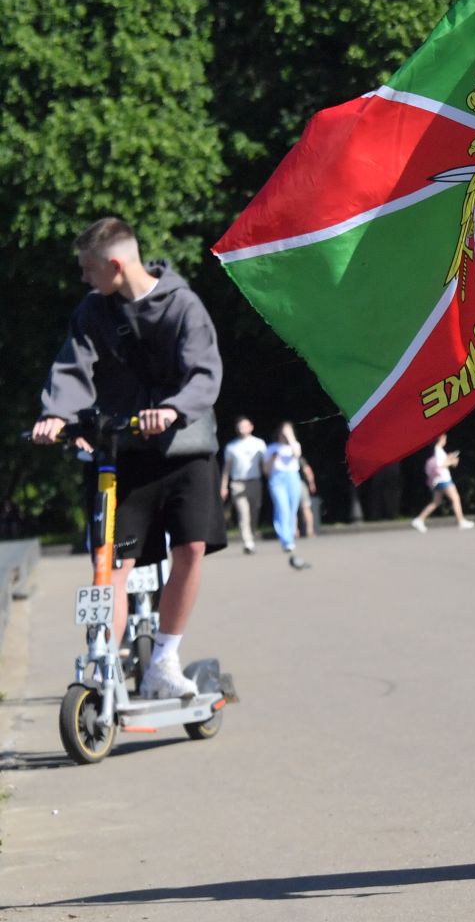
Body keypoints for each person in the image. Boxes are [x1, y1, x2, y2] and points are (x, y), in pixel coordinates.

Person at [32, 217, 226, 699]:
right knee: (112, 562)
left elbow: (204, 372)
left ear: (116, 265)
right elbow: (73, 367)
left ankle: (164, 659)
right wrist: (56, 415)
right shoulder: (93, 311)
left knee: (190, 549)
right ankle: (104, 661)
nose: (84, 278)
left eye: (88, 268)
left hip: (185, 448)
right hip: (127, 451)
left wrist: (174, 409)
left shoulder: (183, 306)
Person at [262, 422, 315, 570]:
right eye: (282, 434)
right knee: (282, 508)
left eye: (286, 434)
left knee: (292, 509)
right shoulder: (271, 448)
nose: (283, 436)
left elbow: (297, 454)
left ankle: (290, 537)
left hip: (292, 478)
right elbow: (266, 471)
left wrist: (290, 435)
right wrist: (273, 459)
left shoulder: (294, 445)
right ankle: (286, 540)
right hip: (277, 479)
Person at [220, 416, 267, 555]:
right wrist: (223, 486)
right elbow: (226, 468)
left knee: (254, 512)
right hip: (238, 484)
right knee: (243, 513)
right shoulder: (231, 446)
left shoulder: (259, 443)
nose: (242, 429)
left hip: (255, 482)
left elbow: (265, 465)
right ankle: (248, 543)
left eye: (245, 426)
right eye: (240, 426)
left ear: (251, 427)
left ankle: (251, 535)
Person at [411, 433, 474, 530]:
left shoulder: (438, 451)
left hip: (437, 480)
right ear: (440, 439)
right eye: (444, 438)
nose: (445, 440)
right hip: (443, 479)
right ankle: (461, 521)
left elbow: (440, 463)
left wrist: (449, 458)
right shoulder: (438, 451)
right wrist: (451, 461)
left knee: (436, 502)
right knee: (455, 498)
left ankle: (419, 519)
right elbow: (440, 465)